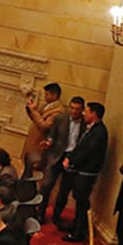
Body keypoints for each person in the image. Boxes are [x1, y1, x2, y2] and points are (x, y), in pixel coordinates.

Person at [62, 101, 108, 242]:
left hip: (87, 173)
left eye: (86, 111)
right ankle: (76, 225)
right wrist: (70, 158)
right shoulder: (91, 129)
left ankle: (79, 232)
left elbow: (88, 151)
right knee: (78, 199)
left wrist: (72, 161)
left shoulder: (99, 132)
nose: (84, 114)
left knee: (82, 202)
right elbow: (80, 147)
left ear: (94, 114)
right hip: (80, 171)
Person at [41, 96, 84, 224]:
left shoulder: (85, 124)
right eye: (72, 108)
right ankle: (40, 213)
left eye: (77, 109)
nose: (74, 111)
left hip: (72, 159)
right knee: (46, 186)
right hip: (56, 156)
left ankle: (56, 216)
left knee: (64, 190)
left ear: (82, 110)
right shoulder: (61, 118)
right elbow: (52, 135)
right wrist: (49, 142)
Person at [23, 82, 63, 172]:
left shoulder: (58, 110)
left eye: (47, 94)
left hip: (40, 142)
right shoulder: (45, 105)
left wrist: (34, 111)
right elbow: (36, 119)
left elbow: (44, 126)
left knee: (34, 168)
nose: (45, 96)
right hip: (34, 139)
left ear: (55, 95)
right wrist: (30, 110)